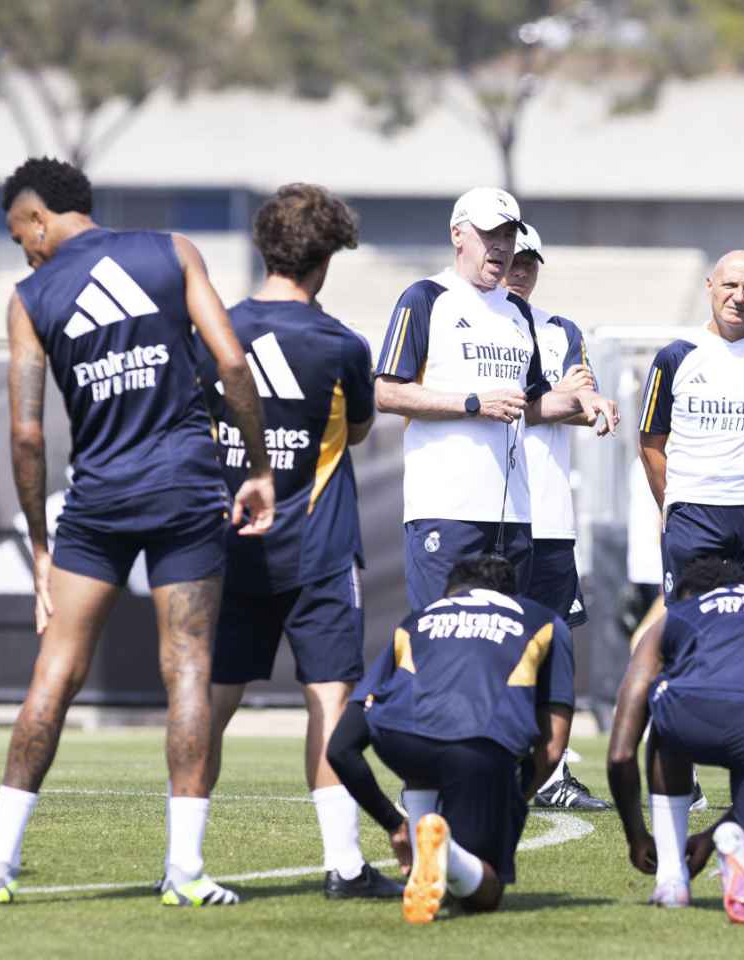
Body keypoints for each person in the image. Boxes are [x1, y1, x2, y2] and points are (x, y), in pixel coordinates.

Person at [0, 157, 275, 907]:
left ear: (39, 219)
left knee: (55, 673)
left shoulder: (31, 297)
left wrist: (41, 545)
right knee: (189, 670)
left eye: (20, 235)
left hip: (97, 502)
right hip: (184, 487)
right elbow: (233, 362)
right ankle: (187, 871)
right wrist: (259, 468)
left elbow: (27, 434)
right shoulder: (173, 252)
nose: (24, 250)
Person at [199, 183, 399, 900]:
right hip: (317, 551)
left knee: (209, 705)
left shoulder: (215, 329)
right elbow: (363, 430)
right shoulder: (343, 345)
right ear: (329, 258)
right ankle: (344, 865)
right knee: (330, 704)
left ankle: (183, 859)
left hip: (229, 547)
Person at [373, 188, 613, 611]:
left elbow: (533, 407)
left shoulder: (518, 314)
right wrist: (472, 403)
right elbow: (388, 392)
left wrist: (583, 401)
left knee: (508, 646)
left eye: (508, 234)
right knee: (440, 637)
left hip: (515, 515)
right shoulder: (426, 297)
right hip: (446, 508)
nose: (501, 246)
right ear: (458, 235)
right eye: (490, 234)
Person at [332, 554, 574, 923]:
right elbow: (554, 746)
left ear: (450, 593)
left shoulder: (417, 621)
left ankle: (419, 841)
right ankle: (446, 855)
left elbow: (340, 748)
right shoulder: (545, 621)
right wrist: (512, 799)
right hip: (479, 744)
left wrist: (392, 825)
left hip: (400, 740)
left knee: (422, 745)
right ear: (511, 594)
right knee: (484, 895)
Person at [606, 555, 744, 924]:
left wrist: (637, 837)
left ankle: (671, 878)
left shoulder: (679, 614)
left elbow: (622, 753)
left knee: (665, 715)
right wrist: (719, 833)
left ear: (689, 595)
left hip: (692, 713)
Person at [504, 223, 611, 812]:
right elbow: (512, 402)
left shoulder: (560, 328)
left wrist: (550, 402)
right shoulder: (469, 319)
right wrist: (553, 398)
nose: (519, 271)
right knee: (491, 645)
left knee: (554, 648)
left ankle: (550, 775)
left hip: (549, 513)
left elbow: (579, 399)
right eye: (512, 260)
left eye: (529, 262)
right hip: (489, 512)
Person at [638, 250, 744, 596]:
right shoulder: (675, 357)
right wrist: (674, 501)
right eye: (730, 285)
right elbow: (650, 444)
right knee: (692, 625)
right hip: (693, 513)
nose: (739, 297)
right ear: (710, 285)